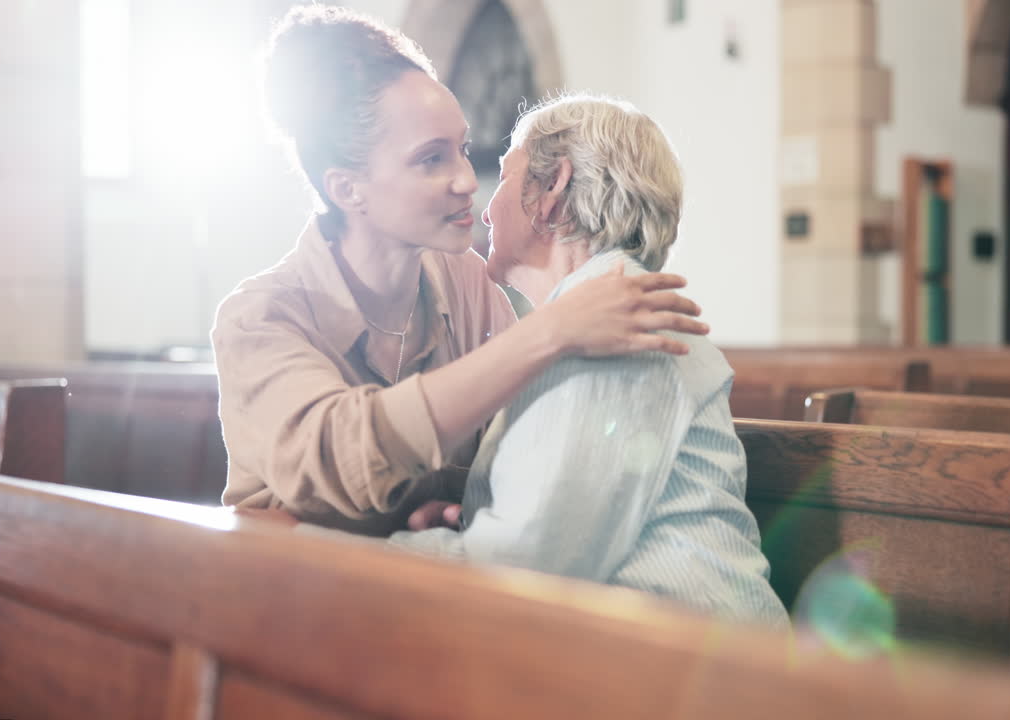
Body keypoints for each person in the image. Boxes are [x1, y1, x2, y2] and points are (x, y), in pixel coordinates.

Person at [212, 5, 708, 535]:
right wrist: (553, 329)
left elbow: (518, 455)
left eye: (463, 150)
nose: (467, 181)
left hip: (424, 595)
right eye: (431, 159)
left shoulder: (465, 281)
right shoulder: (258, 318)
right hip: (281, 598)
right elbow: (345, 458)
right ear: (346, 188)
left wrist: (459, 513)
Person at [389, 94, 788, 627]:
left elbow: (525, 565)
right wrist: (467, 527)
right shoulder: (588, 315)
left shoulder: (619, 324)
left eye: (505, 178)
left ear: (552, 187)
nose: (485, 208)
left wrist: (342, 551)